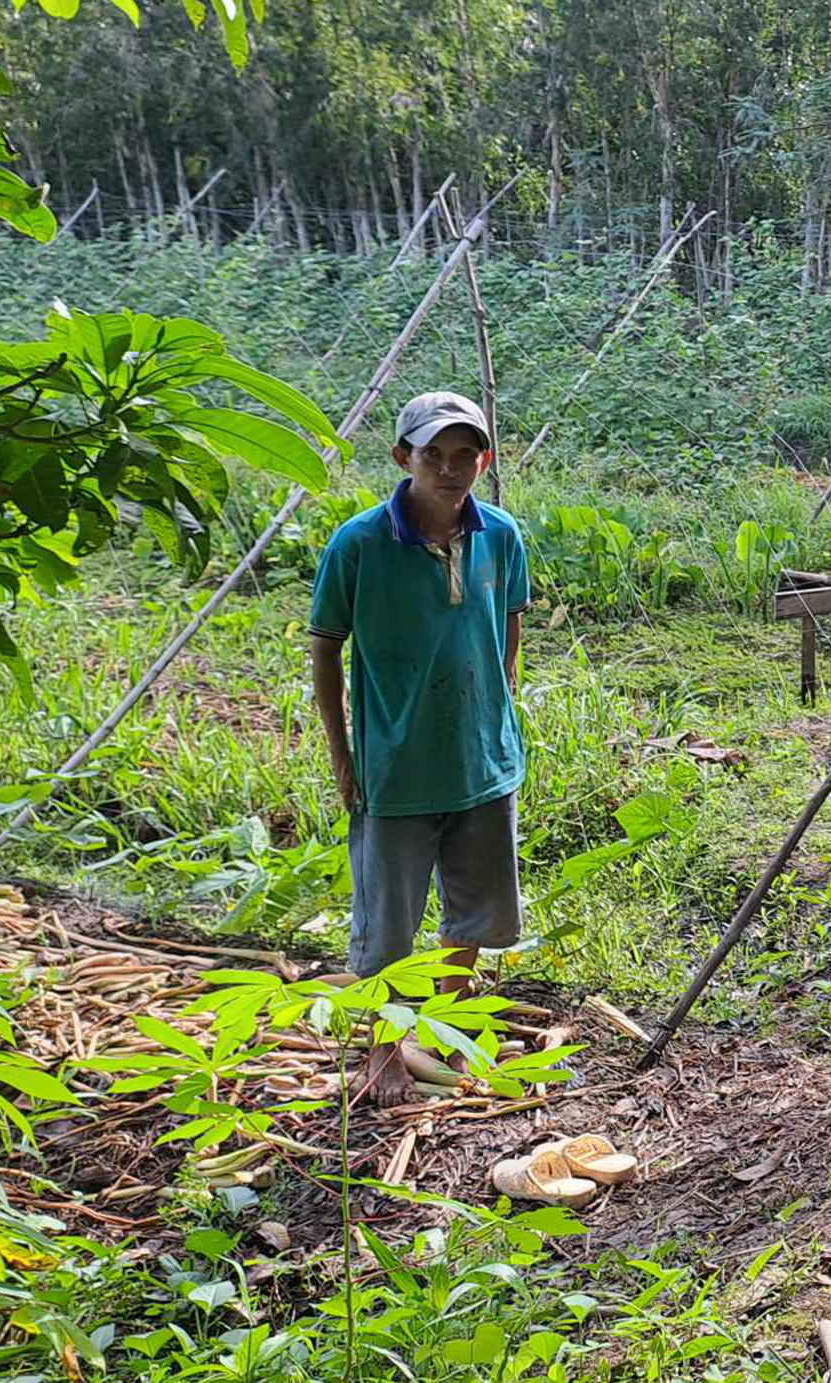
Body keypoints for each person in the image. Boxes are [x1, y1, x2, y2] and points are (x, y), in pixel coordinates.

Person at [309, 390, 529, 1106]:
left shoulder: (501, 535)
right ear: (402, 457)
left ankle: (442, 1032)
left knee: (474, 913)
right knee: (389, 925)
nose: (450, 467)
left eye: (465, 454)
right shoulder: (360, 543)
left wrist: (500, 710)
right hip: (395, 766)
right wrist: (344, 754)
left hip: (481, 760)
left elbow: (510, 627)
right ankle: (382, 1053)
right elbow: (326, 645)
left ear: (483, 460)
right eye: (433, 453)